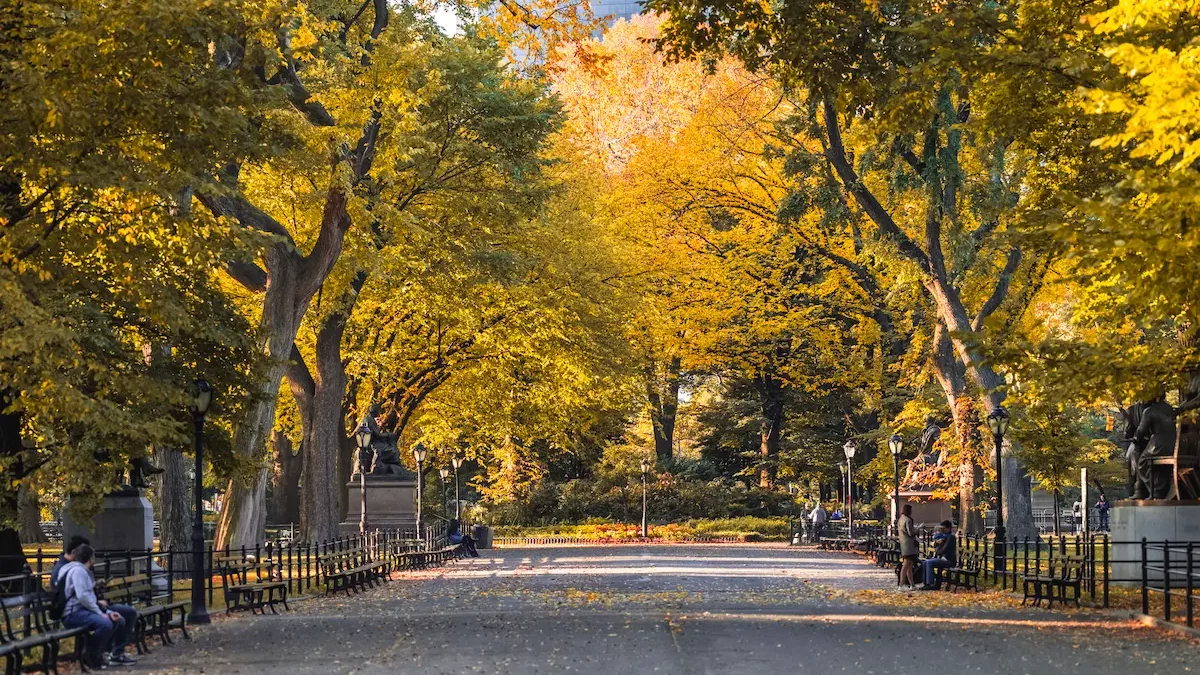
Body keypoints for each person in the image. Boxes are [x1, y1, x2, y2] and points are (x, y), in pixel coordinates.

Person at [51, 536, 138, 666]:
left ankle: (105, 653)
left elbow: (85, 593)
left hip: (84, 608)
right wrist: (101, 612)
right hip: (75, 612)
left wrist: (106, 610)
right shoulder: (77, 570)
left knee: (118, 618)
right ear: (90, 558)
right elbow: (82, 596)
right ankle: (92, 655)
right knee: (107, 623)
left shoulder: (79, 569)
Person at [920, 520, 957, 591]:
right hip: (942, 558)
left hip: (949, 560)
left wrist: (938, 549)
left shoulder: (951, 537)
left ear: (948, 528)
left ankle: (930, 583)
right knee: (925, 562)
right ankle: (926, 583)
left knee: (929, 562)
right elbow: (938, 548)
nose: (942, 530)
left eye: (943, 528)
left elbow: (944, 549)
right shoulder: (944, 536)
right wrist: (937, 543)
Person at [898, 504, 918, 591]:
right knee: (906, 565)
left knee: (909, 565)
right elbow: (911, 533)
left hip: (904, 544)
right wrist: (917, 529)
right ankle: (901, 584)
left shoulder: (900, 519)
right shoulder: (908, 520)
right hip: (909, 545)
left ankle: (912, 584)